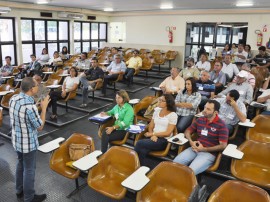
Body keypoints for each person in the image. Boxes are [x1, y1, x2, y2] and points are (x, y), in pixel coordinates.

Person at [9, 77, 50, 202]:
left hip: (17, 140)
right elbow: (40, 127)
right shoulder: (29, 106)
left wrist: (36, 106)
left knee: (20, 164)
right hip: (28, 144)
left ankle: (19, 189)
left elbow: (23, 115)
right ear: (32, 89)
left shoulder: (13, 98)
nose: (38, 87)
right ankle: (29, 197)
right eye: (37, 85)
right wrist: (43, 109)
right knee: (29, 170)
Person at [173, 100, 228, 175]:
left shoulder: (222, 125)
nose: (204, 110)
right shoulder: (200, 119)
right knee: (175, 163)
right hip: (195, 148)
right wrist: (191, 142)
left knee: (190, 172)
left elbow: (223, 146)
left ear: (216, 112)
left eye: (208, 109)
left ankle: (191, 186)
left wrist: (204, 149)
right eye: (205, 107)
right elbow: (187, 131)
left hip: (209, 153)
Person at [134, 94, 177, 165]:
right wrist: (152, 135)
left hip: (163, 140)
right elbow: (150, 126)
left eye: (161, 101)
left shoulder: (173, 115)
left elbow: (168, 133)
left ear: (168, 103)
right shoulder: (157, 111)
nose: (159, 102)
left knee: (139, 143)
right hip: (153, 137)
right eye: (159, 100)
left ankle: (133, 164)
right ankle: (140, 167)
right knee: (143, 150)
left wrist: (153, 134)